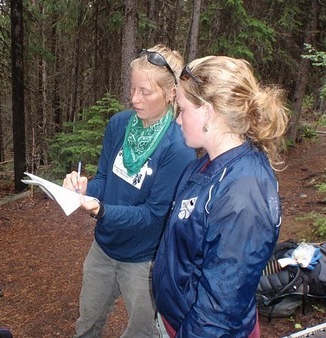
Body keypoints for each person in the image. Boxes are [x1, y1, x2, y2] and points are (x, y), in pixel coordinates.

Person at [63, 44, 196, 337]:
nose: (134, 98)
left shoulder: (178, 148)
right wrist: (85, 187)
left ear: (171, 92)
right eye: (133, 88)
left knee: (140, 333)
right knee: (87, 324)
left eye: (145, 91)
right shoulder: (120, 124)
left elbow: (153, 215)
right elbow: (103, 180)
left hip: (144, 260)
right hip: (103, 248)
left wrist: (100, 209)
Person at [151, 56, 289, 337]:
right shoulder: (204, 164)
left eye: (183, 109)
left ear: (209, 113)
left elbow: (220, 311)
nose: (177, 120)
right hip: (176, 318)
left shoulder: (243, 194)